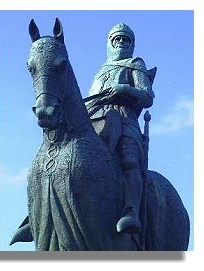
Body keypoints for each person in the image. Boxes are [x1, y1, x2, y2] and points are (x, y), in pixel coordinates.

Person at [87, 23, 156, 234]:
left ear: (132, 43)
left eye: (125, 39)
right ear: (109, 42)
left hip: (125, 117)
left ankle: (131, 211)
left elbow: (147, 97)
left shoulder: (135, 64)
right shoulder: (101, 70)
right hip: (95, 118)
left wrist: (124, 88)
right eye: (116, 39)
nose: (121, 42)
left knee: (129, 160)